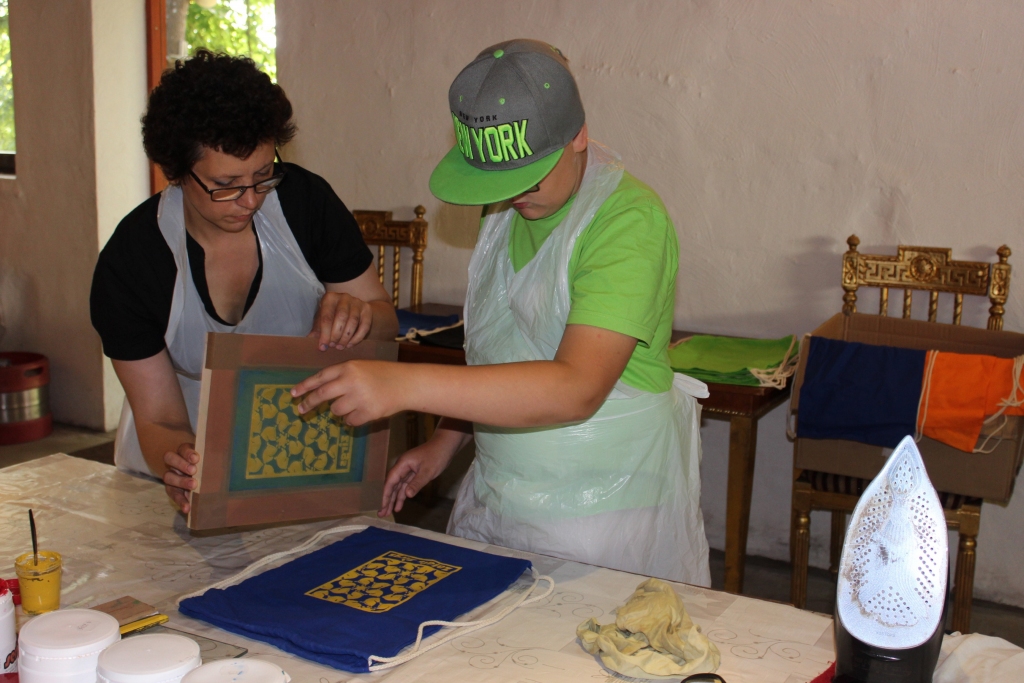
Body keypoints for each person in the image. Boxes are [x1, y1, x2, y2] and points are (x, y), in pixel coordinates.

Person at [292, 39, 710, 584]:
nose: (513, 195)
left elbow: (575, 386)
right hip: (501, 497)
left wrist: (403, 385)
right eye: (497, 182)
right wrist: (446, 442)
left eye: (527, 177)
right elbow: (502, 350)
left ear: (578, 135)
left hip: (608, 516)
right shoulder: (506, 208)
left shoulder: (629, 223)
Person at [90, 50, 398, 513]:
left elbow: (386, 325)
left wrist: (361, 316)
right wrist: (180, 466)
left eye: (262, 175)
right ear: (174, 172)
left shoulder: (304, 202)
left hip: (300, 450)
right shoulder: (135, 260)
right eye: (226, 185)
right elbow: (158, 416)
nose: (249, 200)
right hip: (180, 457)